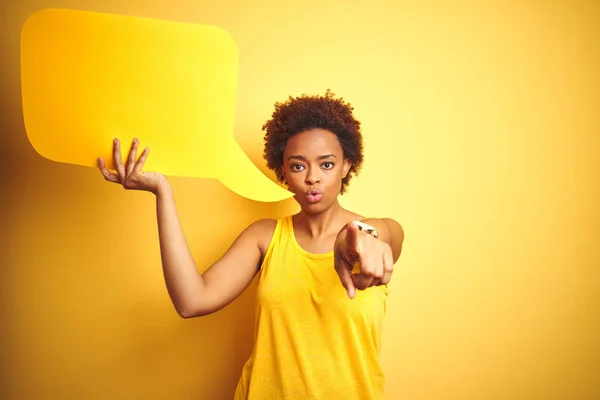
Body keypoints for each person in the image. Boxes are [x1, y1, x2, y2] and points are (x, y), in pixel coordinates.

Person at [97, 89, 405, 399]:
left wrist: (365, 233)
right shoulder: (265, 237)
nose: (312, 178)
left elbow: (389, 232)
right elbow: (192, 301)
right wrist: (162, 191)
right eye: (298, 166)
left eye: (326, 164)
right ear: (283, 171)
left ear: (346, 166)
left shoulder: (372, 239)